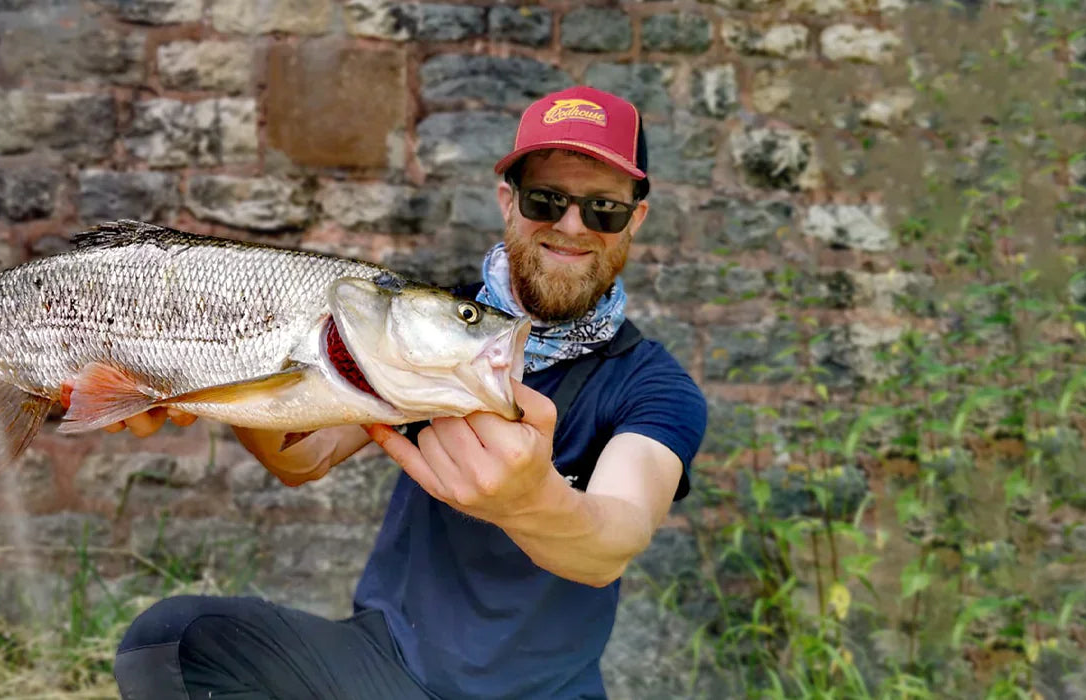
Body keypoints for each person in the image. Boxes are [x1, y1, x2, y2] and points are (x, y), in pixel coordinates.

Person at [100, 85, 709, 700]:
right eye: (545, 199)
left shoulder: (653, 384)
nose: (571, 226)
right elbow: (302, 456)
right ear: (508, 203)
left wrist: (531, 500)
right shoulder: (426, 323)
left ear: (635, 219)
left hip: (545, 693)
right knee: (171, 643)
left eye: (602, 208)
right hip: (385, 668)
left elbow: (613, 540)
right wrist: (238, 372)